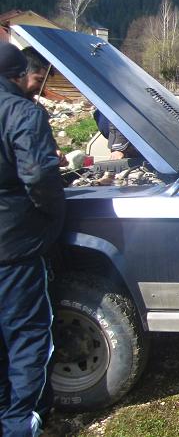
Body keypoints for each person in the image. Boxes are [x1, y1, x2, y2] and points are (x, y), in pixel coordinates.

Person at [0, 42, 65, 436]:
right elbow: (39, 176)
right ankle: (21, 424)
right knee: (27, 337)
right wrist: (52, 214)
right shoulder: (22, 112)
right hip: (15, 248)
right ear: (18, 75)